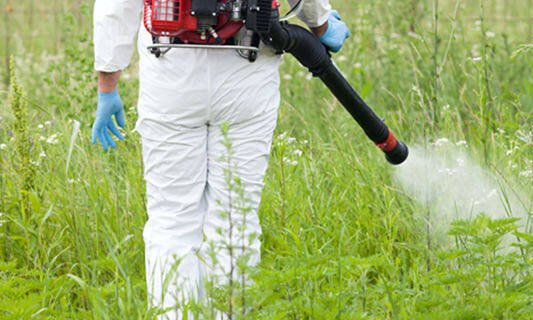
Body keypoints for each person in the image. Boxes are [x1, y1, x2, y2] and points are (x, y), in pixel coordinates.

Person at [92, 1, 349, 318]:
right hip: (246, 68)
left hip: (171, 70)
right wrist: (322, 24)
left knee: (171, 221)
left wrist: (108, 86)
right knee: (234, 222)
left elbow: (115, 7)